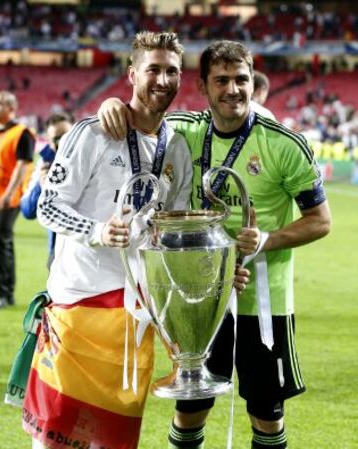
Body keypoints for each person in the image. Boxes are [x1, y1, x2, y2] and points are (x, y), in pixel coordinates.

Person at [97, 40, 331, 449]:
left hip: (264, 301)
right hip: (198, 296)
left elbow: (321, 221)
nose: (233, 89)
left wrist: (267, 240)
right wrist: (111, 105)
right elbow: (142, 119)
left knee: (266, 413)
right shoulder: (185, 130)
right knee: (190, 404)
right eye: (220, 80)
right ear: (202, 86)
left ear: (252, 83)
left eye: (241, 79)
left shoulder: (283, 144)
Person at [22, 33, 250, 449]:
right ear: (132, 74)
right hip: (79, 306)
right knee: (57, 438)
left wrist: (216, 276)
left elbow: (173, 238)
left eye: (172, 72)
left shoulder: (177, 148)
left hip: (137, 315)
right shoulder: (91, 133)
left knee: (114, 440)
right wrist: (97, 231)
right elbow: (48, 207)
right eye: (154, 69)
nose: (163, 79)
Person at [20, 112, 74, 267]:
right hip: (58, 252)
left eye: (67, 135)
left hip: (91, 249)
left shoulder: (93, 159)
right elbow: (28, 211)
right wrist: (43, 187)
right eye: (56, 139)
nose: (63, 142)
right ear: (49, 142)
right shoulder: (46, 164)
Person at [0, 91, 35, 308]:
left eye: (1, 104)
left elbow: (22, 166)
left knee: (2, 242)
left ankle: (5, 293)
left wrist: (9, 194)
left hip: (9, 198)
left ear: (12, 108)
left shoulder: (22, 133)